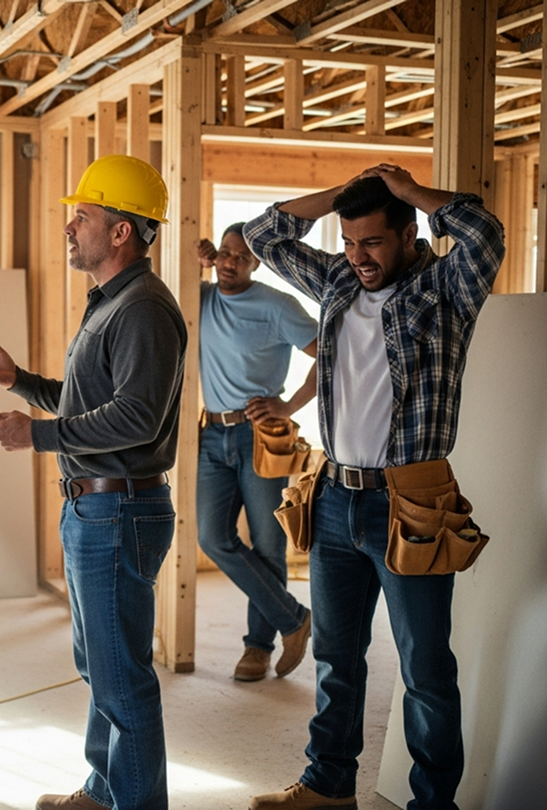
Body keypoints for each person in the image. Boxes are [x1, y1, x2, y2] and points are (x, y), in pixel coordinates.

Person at [243, 165, 504, 810]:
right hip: (332, 494)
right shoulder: (335, 278)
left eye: (374, 243)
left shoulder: (446, 288)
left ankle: (432, 803)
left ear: (409, 234)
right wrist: (342, 198)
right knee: (336, 656)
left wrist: (409, 191)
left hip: (412, 503)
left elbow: (484, 234)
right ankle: (330, 785)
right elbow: (263, 236)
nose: (359, 257)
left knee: (425, 671)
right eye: (349, 241)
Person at [0, 154, 187, 810]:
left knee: (122, 681)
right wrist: (20, 384)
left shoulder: (142, 307)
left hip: (118, 510)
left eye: (82, 215)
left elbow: (136, 420)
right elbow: (92, 403)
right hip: (96, 510)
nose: (70, 226)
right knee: (101, 669)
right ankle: (103, 790)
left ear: (121, 231)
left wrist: (36, 434)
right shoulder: (112, 303)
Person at [195, 223, 318, 681]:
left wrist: (287, 404)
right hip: (210, 435)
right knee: (212, 537)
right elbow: (165, 293)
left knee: (268, 545)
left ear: (257, 263)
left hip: (260, 434)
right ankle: (294, 618)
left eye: (241, 257)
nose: (229, 262)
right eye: (224, 253)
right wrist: (195, 261)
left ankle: (257, 649)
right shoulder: (202, 298)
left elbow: (327, 352)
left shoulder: (276, 305)